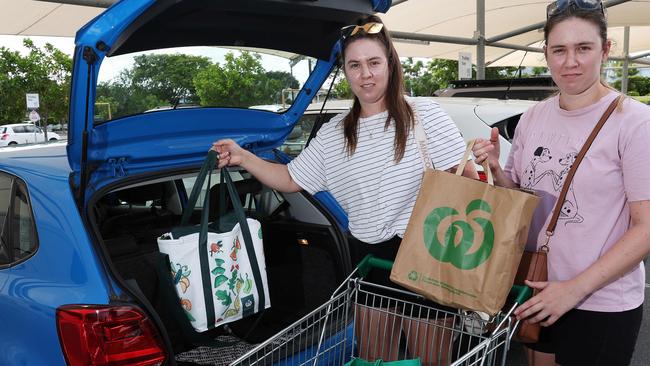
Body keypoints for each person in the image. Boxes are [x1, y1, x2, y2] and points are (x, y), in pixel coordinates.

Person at [212, 15, 477, 364]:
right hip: (368, 259)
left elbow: (466, 181)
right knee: (373, 358)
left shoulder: (424, 114)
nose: (365, 74)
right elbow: (291, 178)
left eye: (373, 63)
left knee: (430, 359)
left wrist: (479, 166)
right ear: (345, 71)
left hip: (424, 257)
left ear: (390, 65)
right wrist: (244, 158)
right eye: (355, 65)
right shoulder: (336, 132)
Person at [472, 1, 650, 365]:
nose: (570, 62)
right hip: (535, 287)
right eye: (559, 50)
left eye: (583, 48)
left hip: (601, 301)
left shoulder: (635, 123)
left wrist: (571, 291)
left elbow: (646, 227)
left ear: (605, 49)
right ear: (546, 54)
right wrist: (495, 169)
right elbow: (517, 201)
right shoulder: (534, 117)